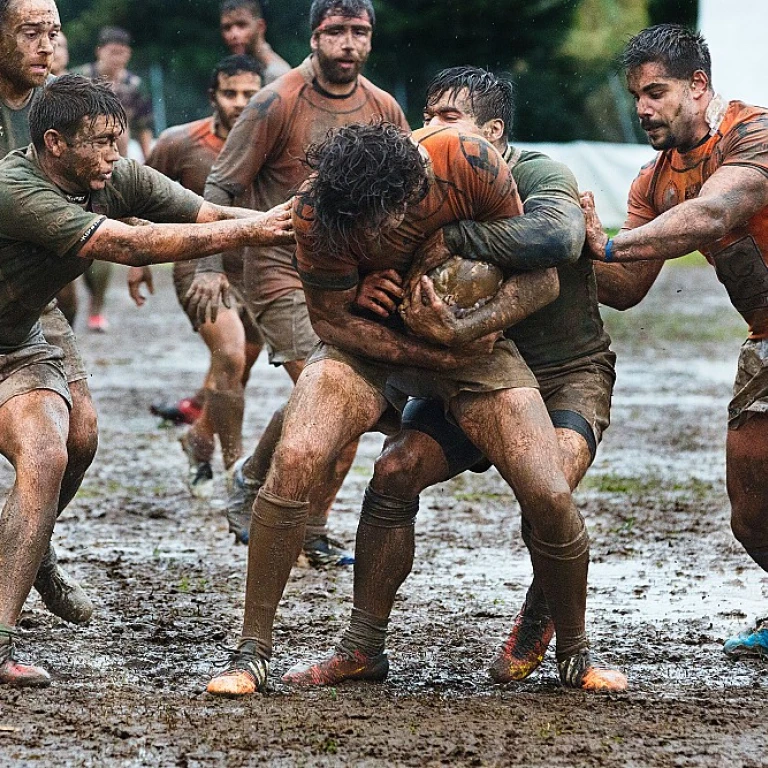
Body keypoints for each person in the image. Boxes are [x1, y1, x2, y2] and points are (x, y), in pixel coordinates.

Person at [205, 121, 627, 697]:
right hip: (371, 341)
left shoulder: (468, 163)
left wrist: (464, 329)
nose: (380, 239)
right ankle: (255, 653)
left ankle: (575, 655)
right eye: (362, 231)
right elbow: (330, 321)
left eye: (387, 223)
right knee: (298, 455)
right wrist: (420, 341)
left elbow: (543, 281)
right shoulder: (315, 208)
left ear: (410, 192)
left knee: (548, 489)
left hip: (474, 341)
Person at [0, 73, 292, 687]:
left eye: (119, 141)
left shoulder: (115, 173)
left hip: (17, 339)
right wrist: (255, 230)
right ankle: (27, 548)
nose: (116, 154)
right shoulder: (14, 187)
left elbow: (208, 212)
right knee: (51, 455)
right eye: (102, 143)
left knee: (64, 449)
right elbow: (130, 247)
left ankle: (5, 622)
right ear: (55, 144)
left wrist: (291, 221)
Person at [192, 0, 409, 565]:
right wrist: (211, 265)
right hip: (279, 270)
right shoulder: (275, 100)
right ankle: (257, 487)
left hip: (350, 275)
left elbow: (412, 189)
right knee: (330, 388)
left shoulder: (383, 106)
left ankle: (305, 518)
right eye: (336, 31)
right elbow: (220, 186)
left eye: (359, 32)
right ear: (314, 37)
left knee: (355, 398)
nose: (348, 43)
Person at [579, 24, 768, 660]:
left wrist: (605, 240)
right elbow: (627, 285)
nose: (642, 108)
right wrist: (565, 247)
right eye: (637, 94)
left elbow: (714, 214)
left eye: (656, 92)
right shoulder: (654, 180)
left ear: (698, 85)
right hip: (765, 340)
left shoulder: (754, 133)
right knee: (752, 514)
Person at [0, 0, 98, 637]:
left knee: (80, 437)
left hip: (30, 299)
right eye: (31, 32)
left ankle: (33, 554)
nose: (46, 46)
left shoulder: (52, 111)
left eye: (54, 33)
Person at [134, 55, 265, 497]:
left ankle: (198, 439)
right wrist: (138, 263)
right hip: (198, 265)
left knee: (236, 372)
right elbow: (136, 195)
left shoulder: (272, 141)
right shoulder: (180, 142)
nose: (240, 103)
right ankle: (236, 473)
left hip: (256, 267)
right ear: (213, 97)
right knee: (228, 356)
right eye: (231, 93)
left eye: (250, 94)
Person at [75, 26, 156, 332]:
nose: (117, 57)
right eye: (112, 51)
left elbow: (144, 125)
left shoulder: (134, 85)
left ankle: (96, 309)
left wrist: (148, 164)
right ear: (99, 51)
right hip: (80, 165)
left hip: (117, 165)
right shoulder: (80, 78)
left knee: (103, 234)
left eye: (123, 52)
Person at [219, 0, 290, 84]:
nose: (234, 34)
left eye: (241, 25)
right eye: (227, 27)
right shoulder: (231, 70)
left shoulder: (277, 74)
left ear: (260, 27)